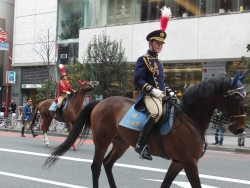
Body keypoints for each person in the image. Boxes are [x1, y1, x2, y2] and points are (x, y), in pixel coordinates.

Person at [133, 6, 171, 160]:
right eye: (157, 43)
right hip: (148, 96)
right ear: (150, 43)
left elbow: (161, 82)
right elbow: (138, 79)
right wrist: (152, 91)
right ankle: (141, 144)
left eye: (161, 43)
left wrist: (168, 91)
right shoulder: (143, 59)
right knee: (157, 112)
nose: (159, 45)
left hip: (159, 95)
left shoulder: (159, 62)